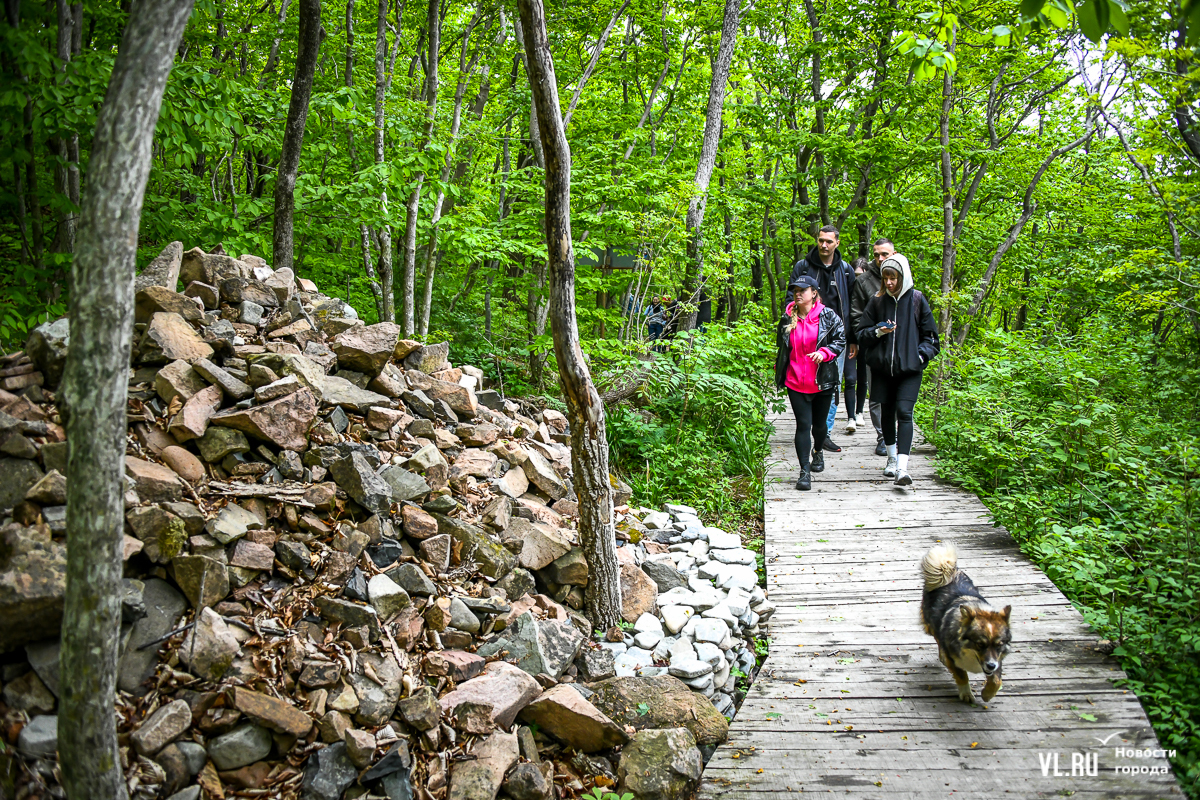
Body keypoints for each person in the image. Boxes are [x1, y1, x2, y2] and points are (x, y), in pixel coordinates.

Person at [855, 254, 940, 486]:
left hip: (910, 370)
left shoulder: (917, 300)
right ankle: (891, 460)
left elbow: (931, 338)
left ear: (904, 276)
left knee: (904, 412)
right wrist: (878, 332)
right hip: (883, 370)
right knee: (887, 415)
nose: (890, 282)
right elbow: (861, 335)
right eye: (886, 278)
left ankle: (903, 468)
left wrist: (920, 355)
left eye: (894, 278)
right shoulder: (877, 301)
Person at [786, 225, 855, 454]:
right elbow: (790, 297)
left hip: (836, 336)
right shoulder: (803, 266)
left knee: (832, 384)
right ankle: (815, 430)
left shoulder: (845, 270)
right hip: (807, 332)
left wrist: (852, 337)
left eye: (828, 241)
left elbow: (852, 305)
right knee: (807, 382)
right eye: (820, 240)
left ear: (837, 242)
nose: (824, 245)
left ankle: (824, 433)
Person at [774, 275, 846, 491]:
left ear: (813, 293)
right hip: (795, 381)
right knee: (803, 425)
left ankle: (818, 451)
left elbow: (840, 339)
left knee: (819, 426)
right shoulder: (787, 318)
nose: (798, 293)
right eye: (795, 290)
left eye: (803, 290)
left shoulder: (828, 316)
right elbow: (782, 347)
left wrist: (824, 353)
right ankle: (804, 472)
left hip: (822, 381)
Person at [849, 238, 895, 456]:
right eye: (876, 254)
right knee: (877, 394)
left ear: (893, 254)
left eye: (884, 254)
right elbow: (856, 316)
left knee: (898, 392)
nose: (879, 259)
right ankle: (882, 436)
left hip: (899, 347)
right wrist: (869, 334)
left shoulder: (902, 278)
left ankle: (897, 433)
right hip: (874, 345)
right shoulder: (863, 281)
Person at [842, 257, 869, 434]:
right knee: (850, 378)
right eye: (856, 275)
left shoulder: (871, 291)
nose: (859, 278)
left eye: (862, 275)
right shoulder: (848, 291)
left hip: (866, 340)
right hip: (849, 340)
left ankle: (860, 412)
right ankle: (850, 417)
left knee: (863, 378)